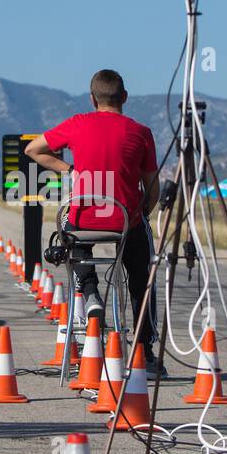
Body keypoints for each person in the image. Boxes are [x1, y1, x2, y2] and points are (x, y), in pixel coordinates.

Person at [25, 69, 161, 362]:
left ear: (92, 99)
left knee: (64, 225)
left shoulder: (77, 124)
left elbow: (33, 149)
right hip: (126, 221)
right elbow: (153, 189)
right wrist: (141, 214)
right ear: (124, 97)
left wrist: (70, 170)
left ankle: (89, 292)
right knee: (142, 277)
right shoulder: (141, 133)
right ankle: (145, 351)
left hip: (84, 218)